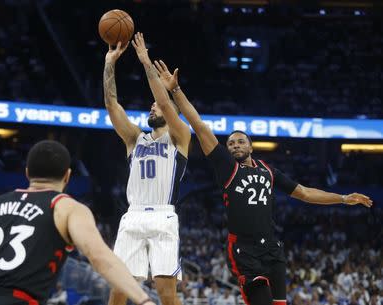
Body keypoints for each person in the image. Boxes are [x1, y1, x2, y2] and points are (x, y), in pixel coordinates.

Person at [153, 60, 373, 305]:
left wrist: (342, 198)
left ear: (251, 146)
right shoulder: (227, 167)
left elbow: (305, 193)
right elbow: (199, 125)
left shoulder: (269, 171)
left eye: (240, 142)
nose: (235, 145)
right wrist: (175, 90)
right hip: (244, 251)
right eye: (231, 143)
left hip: (272, 249)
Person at [0, 140, 156, 305]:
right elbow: (99, 257)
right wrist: (143, 300)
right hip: (17, 299)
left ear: (28, 173)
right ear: (67, 176)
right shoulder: (65, 206)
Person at [103, 32, 191, 305]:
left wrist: (145, 62)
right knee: (119, 289)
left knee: (166, 293)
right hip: (133, 215)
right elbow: (111, 105)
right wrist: (109, 64)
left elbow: (165, 101)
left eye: (157, 106)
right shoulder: (134, 138)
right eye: (151, 106)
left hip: (163, 216)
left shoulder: (179, 137)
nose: (153, 108)